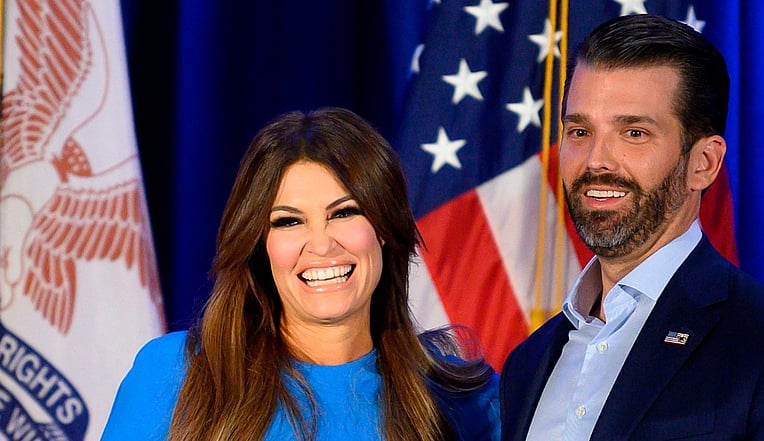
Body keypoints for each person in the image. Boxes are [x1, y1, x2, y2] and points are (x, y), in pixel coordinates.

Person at [500, 14, 764, 441]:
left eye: (635, 132)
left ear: (703, 164)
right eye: (580, 130)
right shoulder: (527, 363)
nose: (595, 161)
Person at [102, 108, 500, 440]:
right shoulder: (176, 375)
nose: (322, 244)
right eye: (289, 222)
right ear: (260, 243)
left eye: (344, 213)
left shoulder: (465, 398)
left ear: (383, 226)